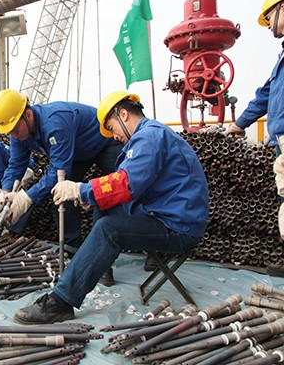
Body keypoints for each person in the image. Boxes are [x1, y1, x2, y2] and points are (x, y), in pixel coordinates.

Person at [13, 91, 209, 324]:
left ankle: (61, 302)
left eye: (111, 128)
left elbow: (126, 183)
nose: (113, 136)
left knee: (108, 230)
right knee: (104, 207)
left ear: (123, 114)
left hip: (177, 227)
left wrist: (81, 190)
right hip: (164, 212)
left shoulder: (149, 138)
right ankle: (98, 264)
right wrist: (92, 197)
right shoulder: (148, 135)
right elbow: (134, 185)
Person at [0, 89, 122, 258]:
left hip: (104, 143)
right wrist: (6, 190)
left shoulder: (55, 123)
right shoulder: (18, 134)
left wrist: (27, 198)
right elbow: (16, 164)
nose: (12, 135)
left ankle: (138, 247)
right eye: (9, 131)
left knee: (120, 188)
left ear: (28, 115)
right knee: (62, 193)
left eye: (14, 129)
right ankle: (70, 247)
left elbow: (59, 170)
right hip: (77, 154)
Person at [225, 0, 284, 236]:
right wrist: (240, 123)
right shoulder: (282, 59)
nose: (268, 25)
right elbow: (265, 95)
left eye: (269, 18)